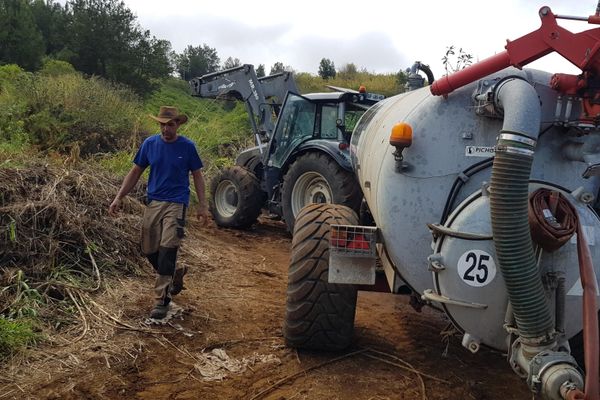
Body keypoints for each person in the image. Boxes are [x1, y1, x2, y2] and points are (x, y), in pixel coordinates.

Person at [108, 106, 209, 319]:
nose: (166, 129)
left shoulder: (187, 147)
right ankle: (173, 273)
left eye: (170, 125)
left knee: (168, 248)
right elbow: (136, 171)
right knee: (148, 249)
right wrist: (119, 197)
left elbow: (198, 176)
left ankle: (161, 299)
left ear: (178, 125)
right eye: (162, 125)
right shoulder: (150, 144)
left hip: (177, 203)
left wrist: (202, 205)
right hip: (154, 202)